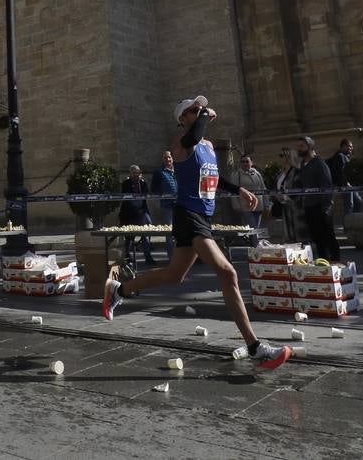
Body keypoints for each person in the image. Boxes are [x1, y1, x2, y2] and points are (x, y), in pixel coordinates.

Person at [101, 97, 291, 371]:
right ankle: (255, 347)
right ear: (183, 118)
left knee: (174, 275)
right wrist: (206, 113)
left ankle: (120, 289)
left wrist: (238, 189)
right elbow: (194, 136)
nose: (199, 111)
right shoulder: (180, 142)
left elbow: (214, 176)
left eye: (199, 109)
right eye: (193, 110)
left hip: (202, 215)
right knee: (228, 273)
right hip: (188, 214)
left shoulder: (209, 147)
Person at [297, 137, 340, 262]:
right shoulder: (303, 165)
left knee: (329, 237)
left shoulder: (320, 164)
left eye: (301, 146)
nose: (299, 149)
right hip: (309, 207)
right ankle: (323, 262)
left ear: (310, 147)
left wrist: (326, 208)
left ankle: (336, 262)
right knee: (317, 239)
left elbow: (326, 187)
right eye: (298, 146)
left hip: (321, 207)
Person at [117, 165, 156, 267]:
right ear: (130, 174)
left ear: (140, 173)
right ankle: (127, 258)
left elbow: (147, 194)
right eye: (133, 173)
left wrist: (142, 183)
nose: (135, 175)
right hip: (129, 214)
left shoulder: (142, 183)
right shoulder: (126, 183)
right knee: (129, 237)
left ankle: (148, 257)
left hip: (142, 212)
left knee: (147, 233)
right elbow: (125, 196)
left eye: (137, 173)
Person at [149, 150, 177, 259]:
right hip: (167, 206)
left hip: (180, 206)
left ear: (172, 158)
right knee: (169, 233)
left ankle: (180, 258)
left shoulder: (178, 170)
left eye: (169, 157)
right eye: (165, 158)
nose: (168, 159)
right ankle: (172, 259)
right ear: (162, 159)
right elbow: (154, 189)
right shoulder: (159, 172)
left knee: (181, 232)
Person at [272, 149, 300, 242]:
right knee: (285, 230)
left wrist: (287, 197)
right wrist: (276, 195)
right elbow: (276, 187)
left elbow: (298, 188)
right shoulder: (280, 173)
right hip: (281, 205)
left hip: (293, 205)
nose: (281, 158)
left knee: (294, 230)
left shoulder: (296, 172)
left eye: (282, 155)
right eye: (280, 156)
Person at [238, 155, 266, 245]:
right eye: (243, 161)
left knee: (256, 229)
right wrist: (237, 206)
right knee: (253, 229)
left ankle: (254, 247)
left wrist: (267, 204)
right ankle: (256, 248)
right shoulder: (237, 174)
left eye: (247, 161)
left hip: (259, 206)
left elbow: (263, 188)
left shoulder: (257, 174)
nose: (245, 163)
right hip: (246, 206)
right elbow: (234, 191)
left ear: (251, 163)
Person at [328, 138, 359, 217]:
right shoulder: (340, 156)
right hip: (344, 185)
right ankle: (349, 223)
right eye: (349, 146)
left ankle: (354, 220)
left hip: (347, 185)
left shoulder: (343, 156)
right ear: (343, 146)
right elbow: (341, 172)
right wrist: (346, 183)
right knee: (350, 204)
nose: (351, 148)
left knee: (358, 201)